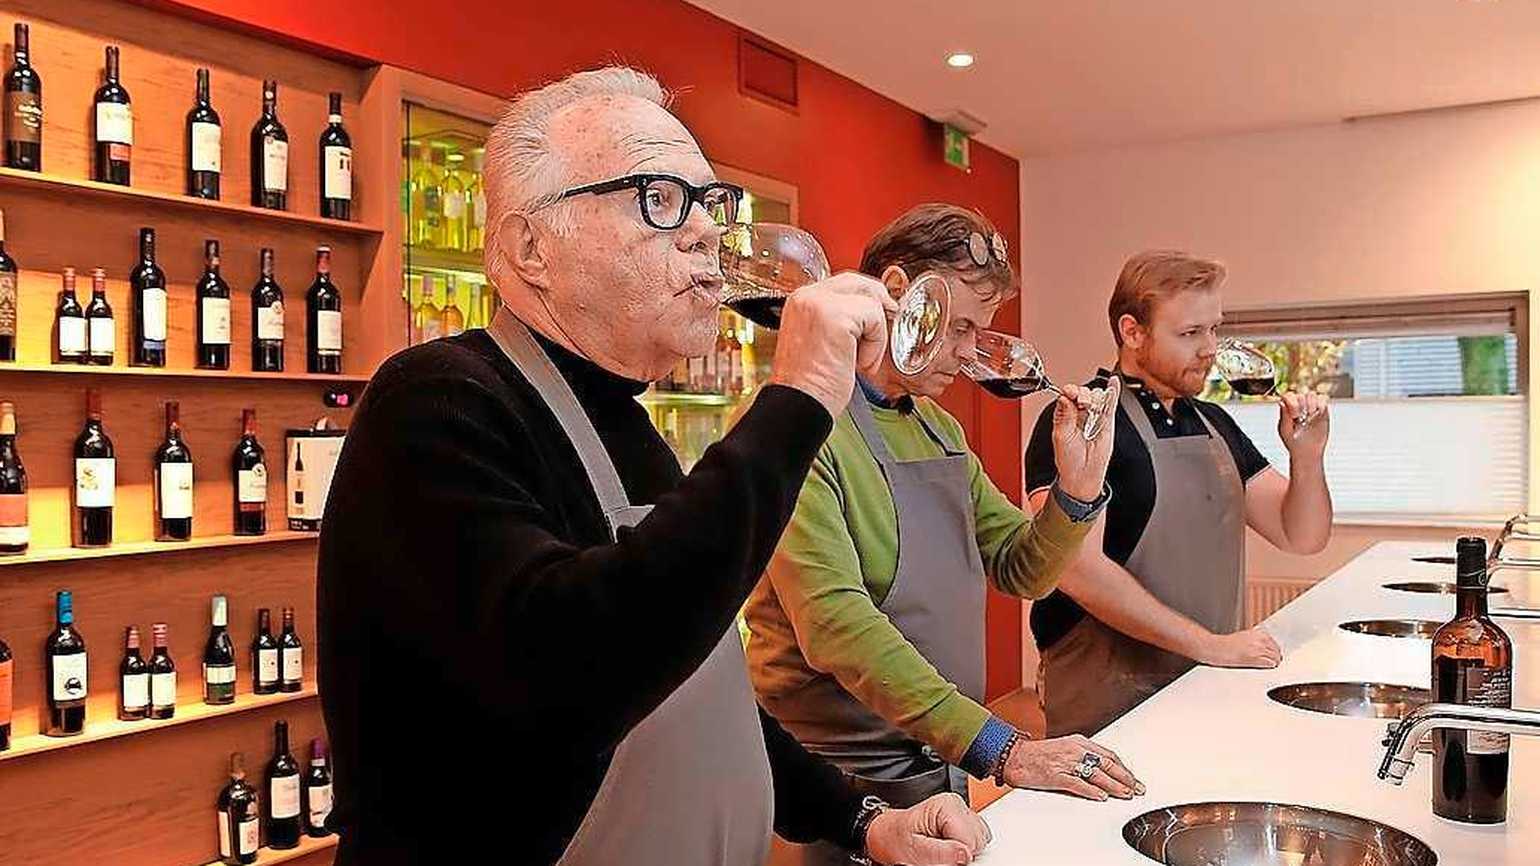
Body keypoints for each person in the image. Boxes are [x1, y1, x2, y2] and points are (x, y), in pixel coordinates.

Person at [316, 67, 991, 866]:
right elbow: (576, 665)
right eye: (660, 198)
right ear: (531, 247)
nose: (707, 232)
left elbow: (704, 691)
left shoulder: (630, 429)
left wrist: (858, 818)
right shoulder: (436, 403)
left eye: (710, 203)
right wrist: (802, 394)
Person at [746, 204, 1142, 866]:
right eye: (959, 326)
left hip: (939, 766)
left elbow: (1024, 570)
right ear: (897, 293)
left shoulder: (938, 429)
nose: (968, 353)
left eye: (979, 332)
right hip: (832, 790)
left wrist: (1075, 491)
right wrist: (1001, 746)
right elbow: (837, 625)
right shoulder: (803, 427)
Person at [1025, 250, 1333, 737]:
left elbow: (1301, 535)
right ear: (1132, 332)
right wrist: (1209, 644)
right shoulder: (1079, 420)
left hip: (1209, 678)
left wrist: (1308, 457)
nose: (1209, 348)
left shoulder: (1216, 423)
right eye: (1190, 333)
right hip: (1106, 690)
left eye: (1215, 330)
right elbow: (1075, 569)